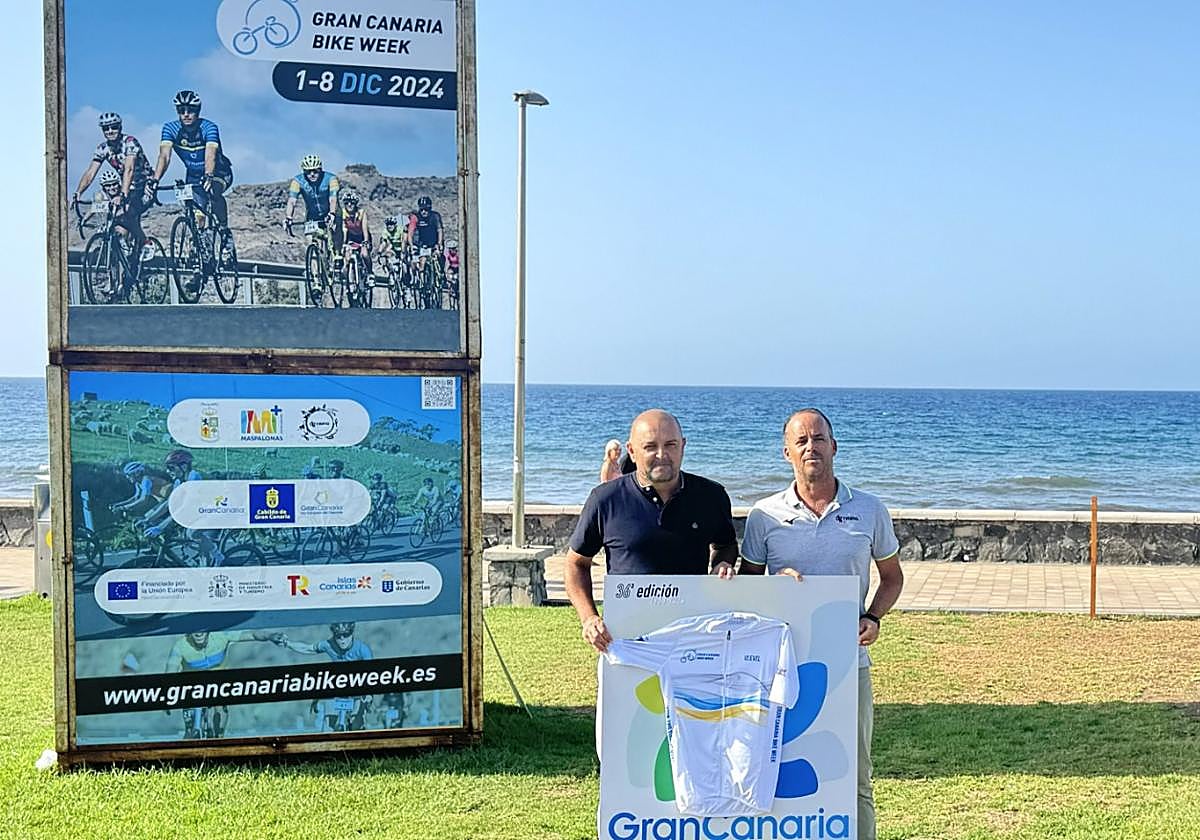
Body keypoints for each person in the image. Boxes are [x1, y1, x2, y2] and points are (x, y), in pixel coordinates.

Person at [739, 408, 904, 840]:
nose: (811, 447)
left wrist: (873, 617)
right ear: (787, 453)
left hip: (850, 664)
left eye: (818, 438)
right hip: (778, 667)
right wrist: (775, 584)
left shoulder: (869, 510)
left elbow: (892, 577)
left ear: (834, 445)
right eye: (801, 441)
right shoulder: (764, 515)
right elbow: (745, 589)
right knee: (775, 769)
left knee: (855, 775)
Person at [565, 409, 739, 653]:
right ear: (632, 451)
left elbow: (725, 544)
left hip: (694, 636)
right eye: (650, 447)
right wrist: (589, 618)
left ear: (683, 446)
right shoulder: (605, 499)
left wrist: (721, 564)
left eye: (670, 444)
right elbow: (576, 564)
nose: (662, 455)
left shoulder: (712, 496)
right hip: (625, 640)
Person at [151, 90, 234, 227]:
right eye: (181, 110)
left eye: (190, 110)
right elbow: (164, 156)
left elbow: (210, 155)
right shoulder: (170, 129)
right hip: (194, 175)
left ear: (198, 110)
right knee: (196, 214)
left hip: (219, 172)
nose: (186, 114)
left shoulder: (209, 128)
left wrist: (209, 174)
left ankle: (224, 230)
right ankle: (198, 243)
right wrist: (155, 179)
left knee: (214, 192)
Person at [72, 111, 155, 247]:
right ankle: (124, 253)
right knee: (118, 222)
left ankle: (145, 242)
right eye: (106, 128)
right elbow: (90, 173)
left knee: (126, 211)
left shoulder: (130, 142)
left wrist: (123, 194)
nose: (110, 131)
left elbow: (129, 169)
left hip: (144, 186)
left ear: (120, 127)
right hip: (128, 186)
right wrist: (78, 192)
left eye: (114, 127)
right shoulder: (103, 148)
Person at [284, 154, 339, 237]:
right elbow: (292, 201)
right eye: (308, 172)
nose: (312, 174)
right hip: (312, 215)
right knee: (310, 239)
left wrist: (332, 214)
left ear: (320, 170)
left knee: (335, 241)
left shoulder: (331, 179)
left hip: (331, 212)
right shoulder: (297, 181)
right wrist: (288, 217)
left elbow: (333, 199)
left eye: (315, 171)